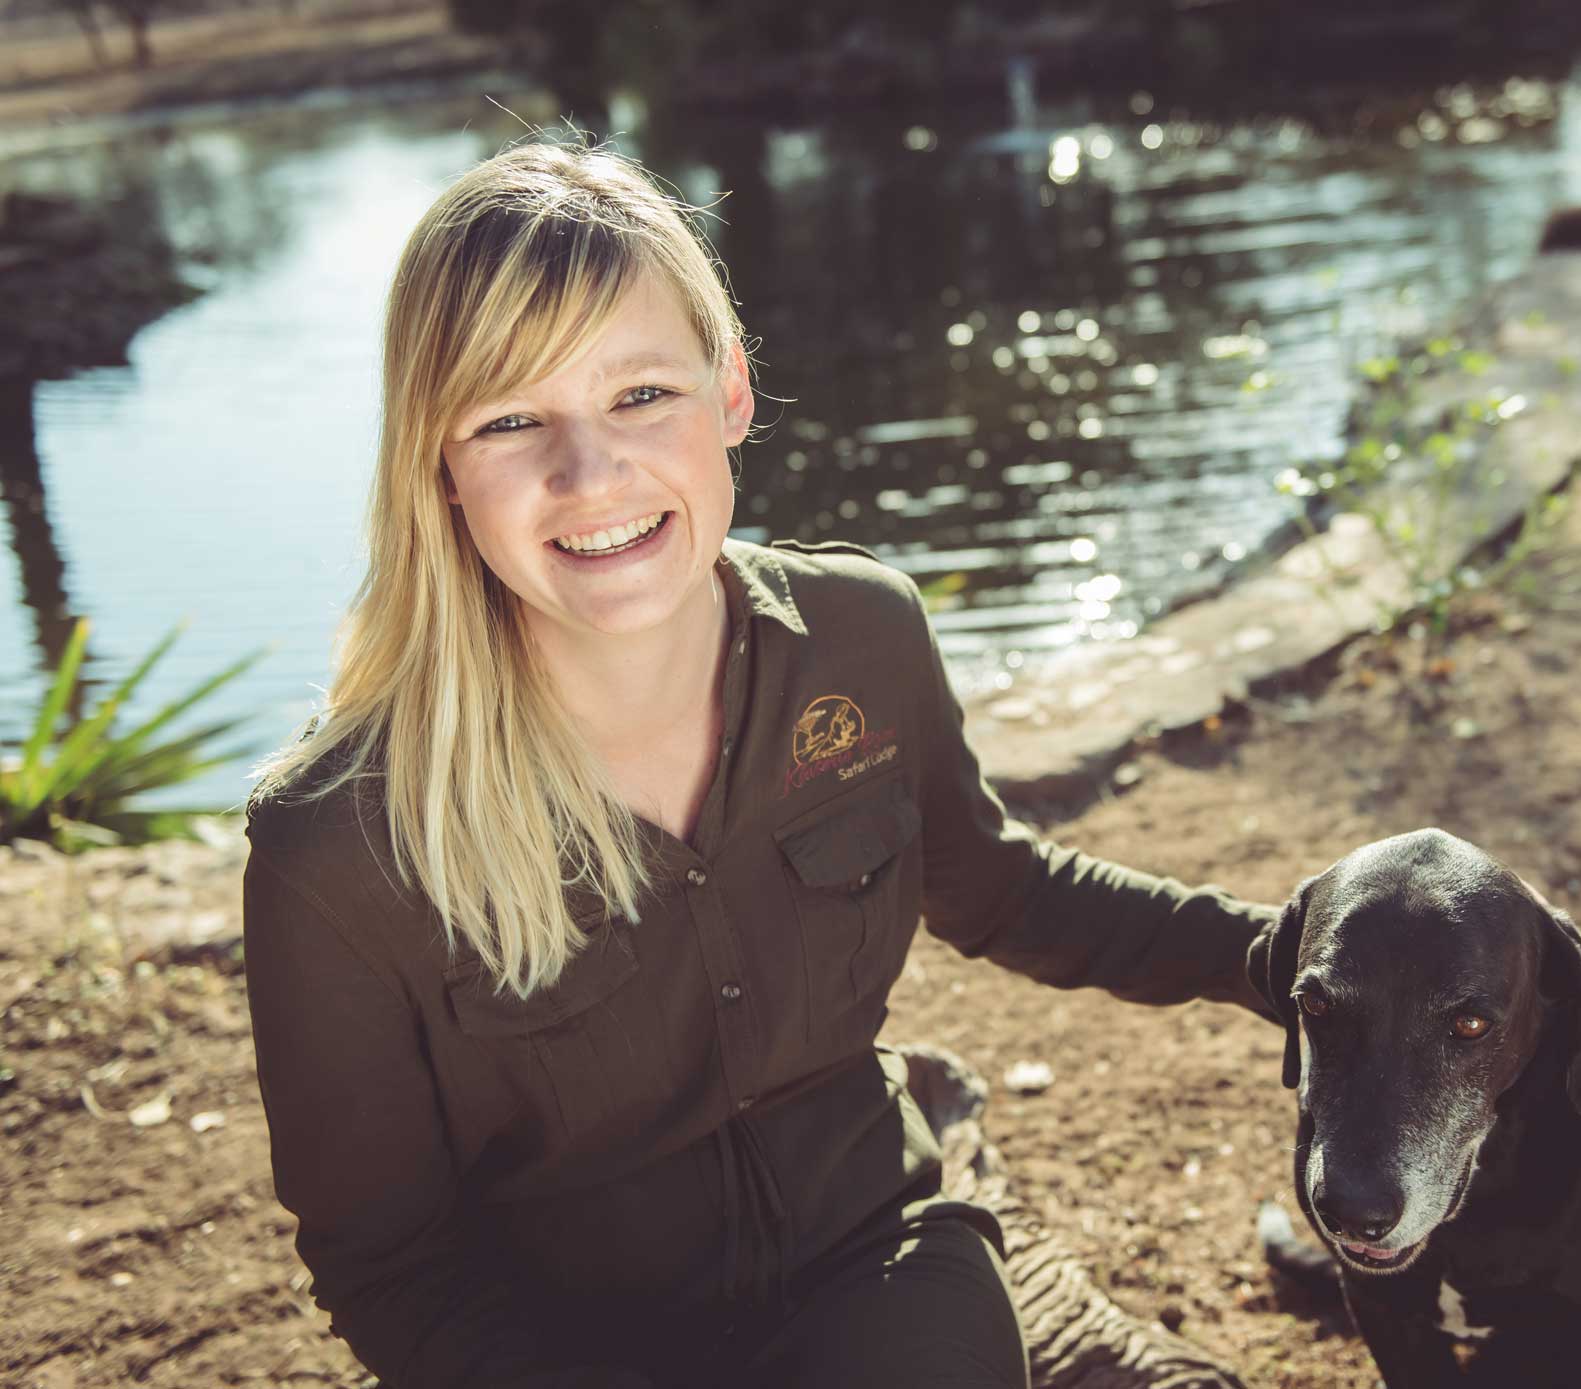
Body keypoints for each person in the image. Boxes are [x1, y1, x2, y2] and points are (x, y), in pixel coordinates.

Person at [240, 134, 1282, 1389]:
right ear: (438, 466)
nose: (589, 473)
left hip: (882, 1271)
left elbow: (1003, 892)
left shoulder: (862, 638)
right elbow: (389, 1263)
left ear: (729, 392)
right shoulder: (337, 845)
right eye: (512, 420)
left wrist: (1281, 956)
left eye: (640, 396)